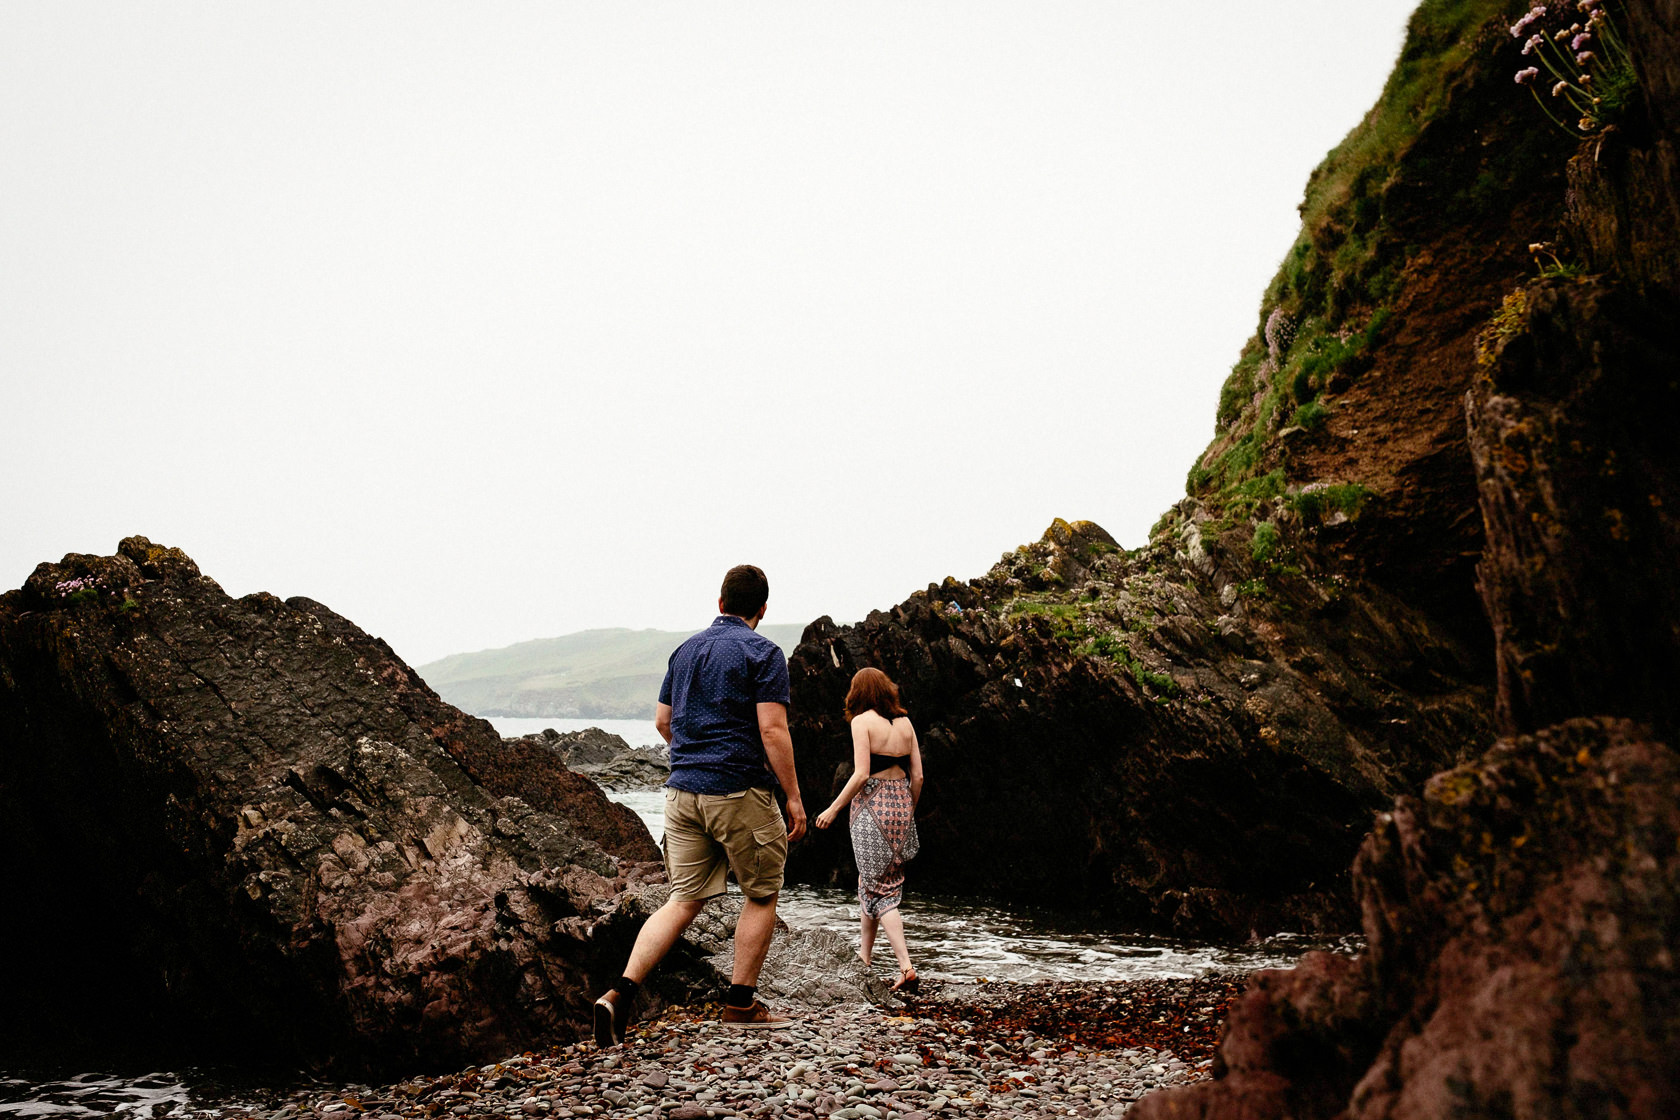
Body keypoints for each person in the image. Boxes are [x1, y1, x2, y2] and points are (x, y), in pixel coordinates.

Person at [592, 565, 808, 1045]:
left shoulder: (685, 650)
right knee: (762, 893)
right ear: (763, 609)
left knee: (684, 898)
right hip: (737, 790)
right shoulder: (763, 652)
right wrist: (793, 797)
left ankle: (619, 994)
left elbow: (662, 722)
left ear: (720, 602)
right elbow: (773, 730)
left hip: (680, 792)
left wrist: (692, 755)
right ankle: (740, 1004)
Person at [814, 667, 924, 995]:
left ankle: (905, 966)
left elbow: (861, 773)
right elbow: (918, 777)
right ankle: (865, 956)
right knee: (873, 881)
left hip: (870, 808)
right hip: (901, 804)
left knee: (881, 889)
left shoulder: (861, 722)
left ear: (858, 692)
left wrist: (833, 809)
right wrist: (908, 810)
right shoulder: (906, 723)